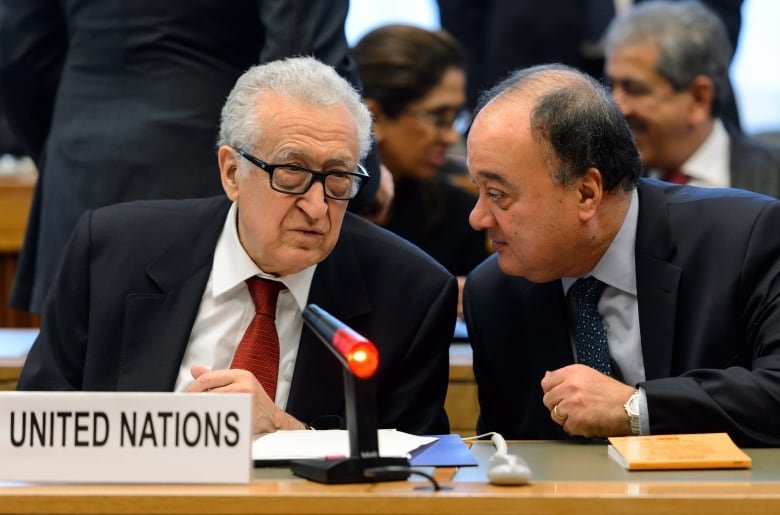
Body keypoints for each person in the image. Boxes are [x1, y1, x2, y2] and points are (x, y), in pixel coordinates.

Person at [17, 57, 457, 436]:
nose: (318, 206)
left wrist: (290, 432)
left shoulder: (410, 293)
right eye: (291, 171)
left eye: (338, 176)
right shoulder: (113, 251)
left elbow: (415, 472)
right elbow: (38, 426)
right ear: (231, 173)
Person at [0, 0, 388, 315]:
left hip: (80, 172)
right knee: (220, 403)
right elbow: (303, 50)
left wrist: (64, 149)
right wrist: (356, 175)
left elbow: (20, 53)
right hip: (209, 169)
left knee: (79, 403)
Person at [463, 63, 780, 447]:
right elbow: (507, 450)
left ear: (586, 193)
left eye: (497, 195)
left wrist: (637, 408)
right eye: (477, 190)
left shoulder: (744, 239)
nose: (477, 218)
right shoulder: (495, 292)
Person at [352, 24, 490, 311]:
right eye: (438, 116)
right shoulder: (324, 208)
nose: (451, 136)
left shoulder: (462, 216)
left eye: (456, 116)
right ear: (374, 116)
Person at [604, 1, 780, 195]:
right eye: (611, 86)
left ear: (699, 98)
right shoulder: (606, 183)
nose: (617, 106)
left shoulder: (773, 182)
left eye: (635, 89)